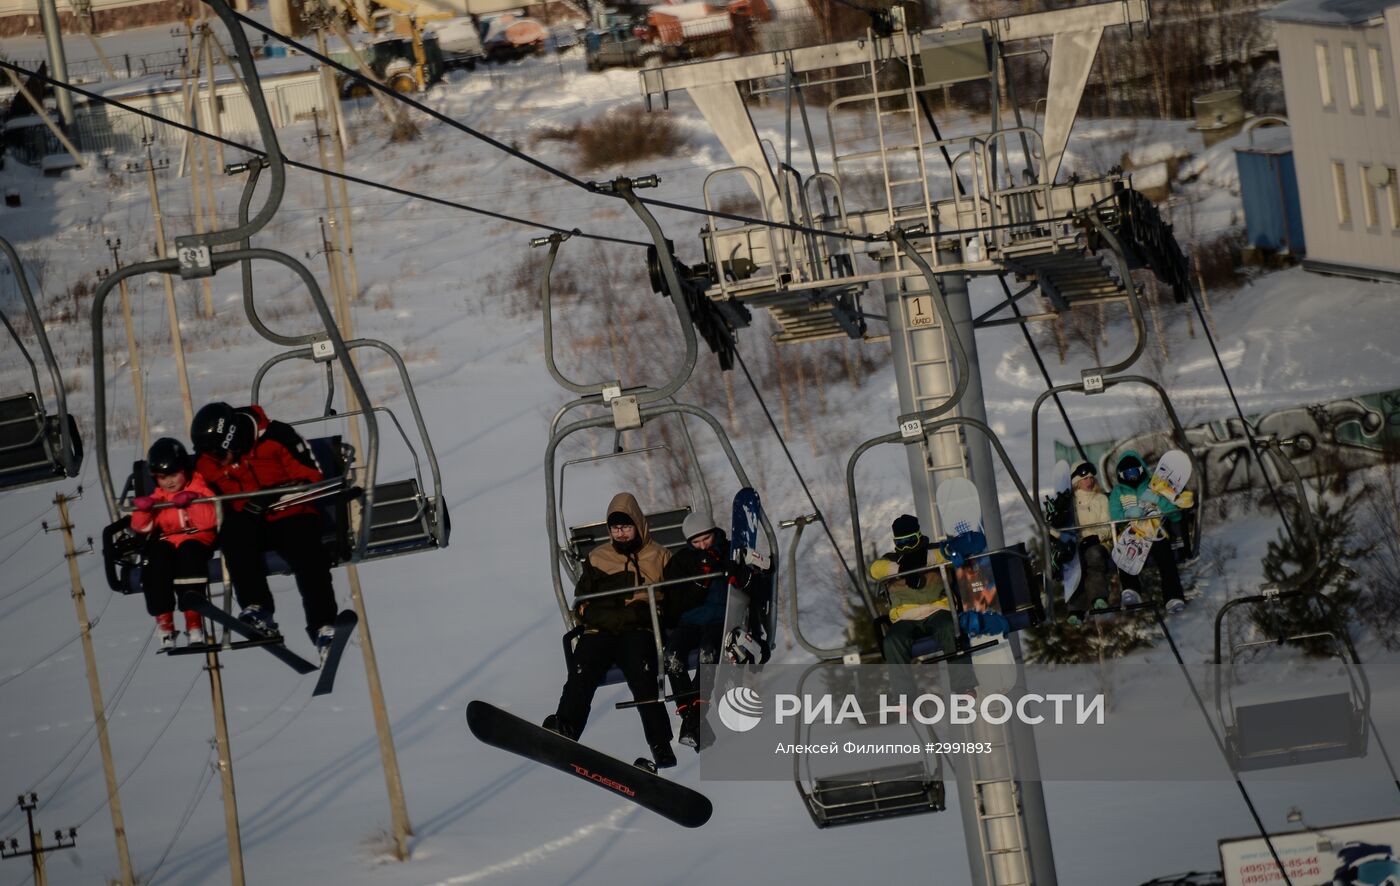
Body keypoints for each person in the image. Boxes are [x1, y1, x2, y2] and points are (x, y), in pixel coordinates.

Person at [189, 402, 339, 656]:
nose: (215, 460)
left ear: (232, 439)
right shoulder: (207, 462)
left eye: (218, 453)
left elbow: (312, 476)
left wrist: (270, 497)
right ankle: (257, 609)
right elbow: (196, 492)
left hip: (292, 512)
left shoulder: (277, 437)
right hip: (249, 521)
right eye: (210, 454)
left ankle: (322, 626)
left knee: (306, 551)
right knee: (233, 536)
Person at [547, 492, 676, 771]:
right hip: (601, 631)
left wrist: (650, 614)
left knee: (643, 677)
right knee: (583, 670)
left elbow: (673, 596)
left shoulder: (659, 556)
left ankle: (661, 745)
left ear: (638, 525)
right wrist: (610, 614)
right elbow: (582, 602)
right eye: (615, 528)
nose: (620, 533)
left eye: (626, 527)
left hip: (638, 631)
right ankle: (566, 727)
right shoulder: (597, 558)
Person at [660, 511, 750, 752]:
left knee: (708, 652)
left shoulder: (730, 552)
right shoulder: (681, 562)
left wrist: (737, 573)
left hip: (720, 619)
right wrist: (699, 584)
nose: (701, 545)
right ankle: (695, 721)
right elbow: (673, 602)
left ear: (713, 533)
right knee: (671, 656)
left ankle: (694, 717)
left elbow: (746, 584)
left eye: (706, 539)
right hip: (689, 621)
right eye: (695, 542)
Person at [872, 514, 976, 696]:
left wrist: (922, 560)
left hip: (937, 610)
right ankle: (904, 695)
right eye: (902, 543)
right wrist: (902, 569)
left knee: (950, 628)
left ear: (919, 535)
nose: (907, 547)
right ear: (895, 542)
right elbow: (874, 569)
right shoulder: (890, 560)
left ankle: (964, 686)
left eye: (912, 541)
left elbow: (952, 553)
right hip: (906, 618)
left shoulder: (933, 552)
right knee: (892, 641)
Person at [131, 438, 217, 650]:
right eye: (162, 477)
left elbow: (209, 521)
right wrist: (143, 511)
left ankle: (194, 621)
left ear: (184, 470)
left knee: (188, 554)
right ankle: (165, 623)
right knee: (156, 558)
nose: (169, 482)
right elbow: (143, 529)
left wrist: (193, 501)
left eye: (173, 474)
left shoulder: (200, 487)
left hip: (197, 539)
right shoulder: (159, 497)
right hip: (168, 541)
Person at [1107, 450, 1190, 614]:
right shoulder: (1118, 492)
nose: (1131, 476)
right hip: (1131, 534)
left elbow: (1175, 513)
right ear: (1120, 475)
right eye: (1126, 473)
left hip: (1155, 532)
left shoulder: (1156, 486)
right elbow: (1114, 515)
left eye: (1134, 471)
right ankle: (1131, 590)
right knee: (1124, 552)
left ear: (1141, 469)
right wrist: (1128, 515)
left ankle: (1173, 596)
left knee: (1165, 555)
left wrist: (1158, 500)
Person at [1067, 461, 1114, 623]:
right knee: (1074, 561)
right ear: (1076, 482)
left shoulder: (1101, 499)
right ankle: (1075, 610)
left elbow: (1108, 526)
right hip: (1077, 544)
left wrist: (1095, 537)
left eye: (1091, 478)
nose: (1089, 482)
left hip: (1099, 543)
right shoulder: (1069, 503)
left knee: (1093, 555)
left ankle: (1099, 598)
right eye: (1084, 478)